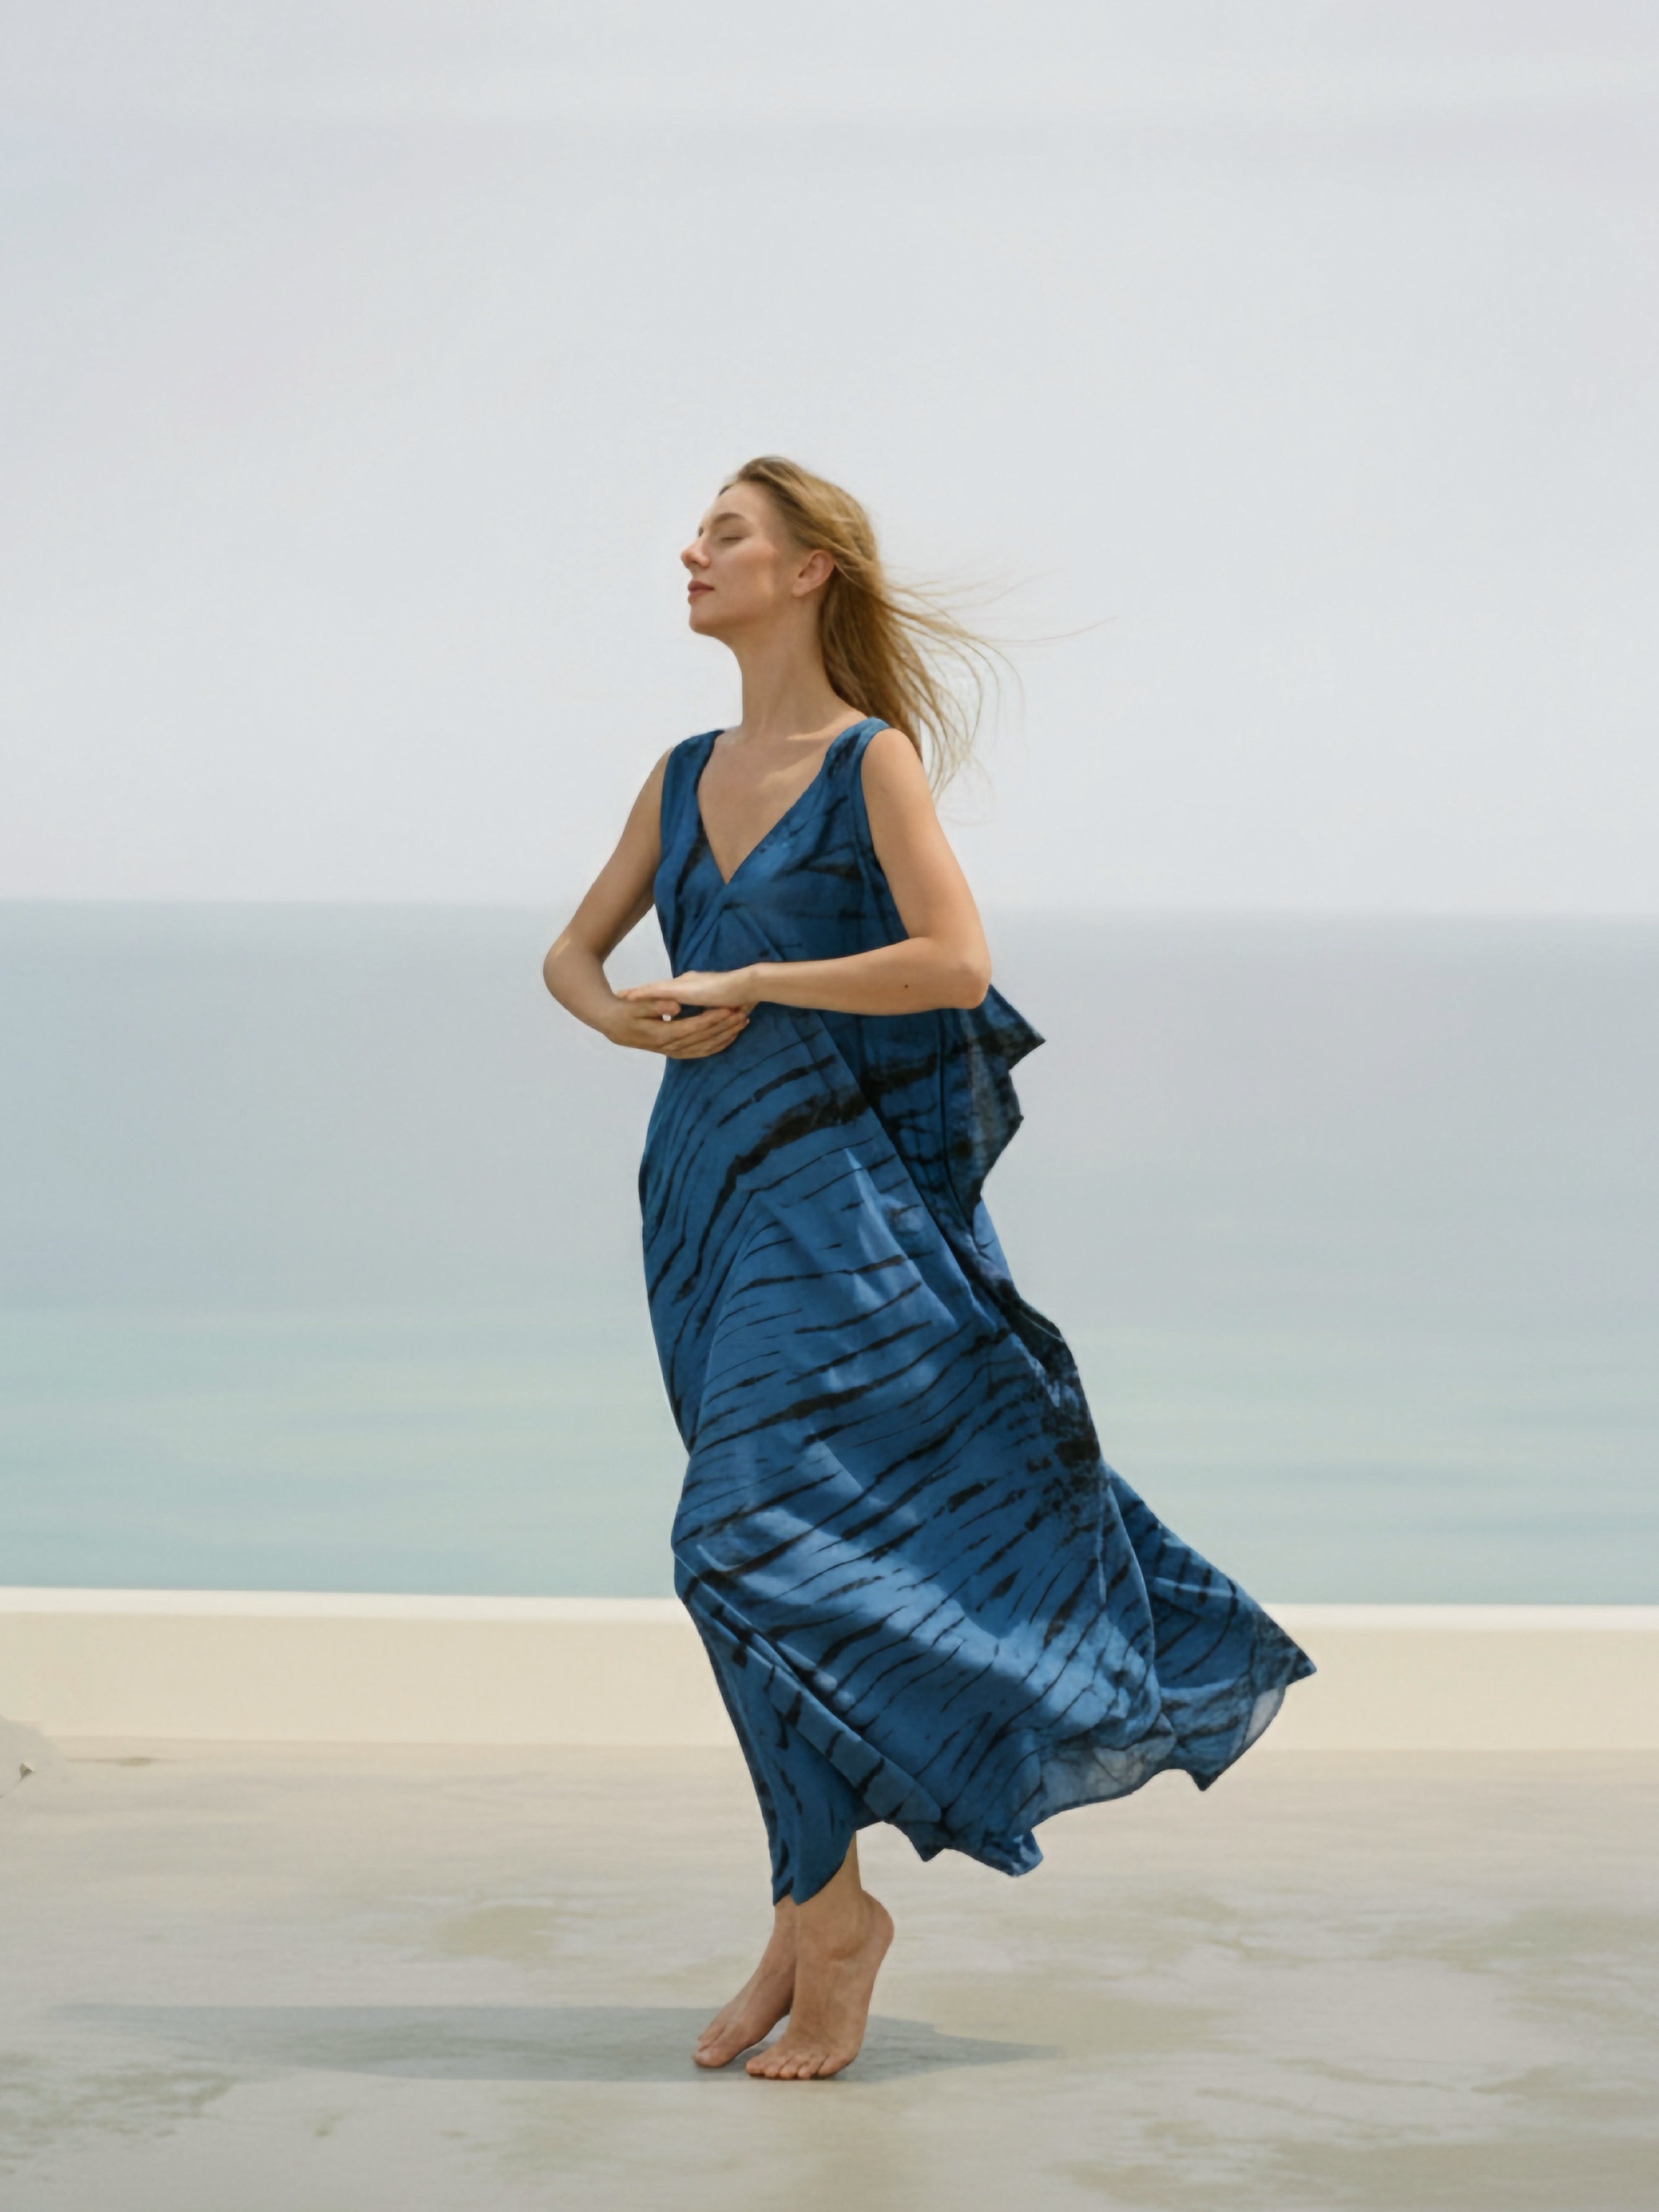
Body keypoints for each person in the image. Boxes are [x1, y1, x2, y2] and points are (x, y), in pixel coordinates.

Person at [542, 456, 1313, 2082]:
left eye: (727, 534)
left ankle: (832, 1920)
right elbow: (570, 945)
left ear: (812, 568)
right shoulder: (680, 769)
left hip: (840, 1212)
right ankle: (798, 1904)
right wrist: (616, 1015)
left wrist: (753, 970)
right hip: (699, 1199)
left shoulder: (868, 763)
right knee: (765, 1550)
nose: (690, 552)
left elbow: (954, 960)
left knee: (736, 1549)